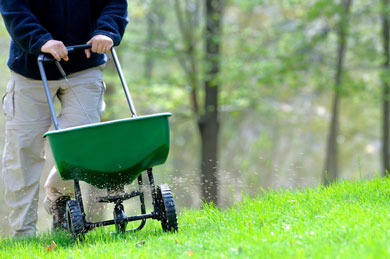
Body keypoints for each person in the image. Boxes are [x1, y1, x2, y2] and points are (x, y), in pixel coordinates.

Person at [0, 0, 128, 238]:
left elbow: (114, 3)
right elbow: (12, 7)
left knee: (81, 144)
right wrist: (40, 40)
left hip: (84, 63)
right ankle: (23, 233)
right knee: (23, 151)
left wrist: (106, 30)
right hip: (30, 68)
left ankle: (60, 200)